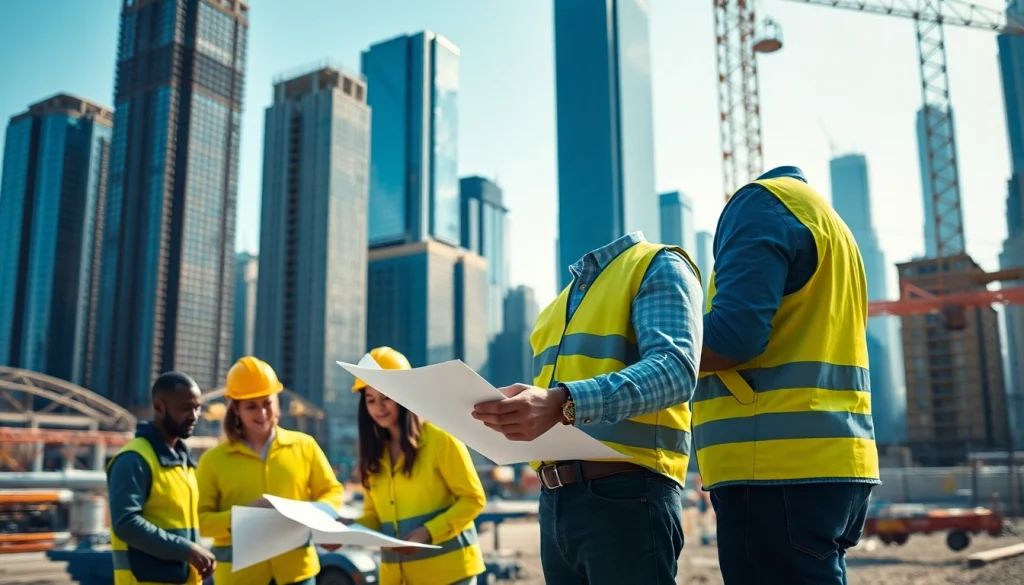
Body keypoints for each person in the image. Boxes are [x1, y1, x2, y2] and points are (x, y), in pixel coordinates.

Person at [471, 232, 704, 584]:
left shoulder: (656, 264)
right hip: (554, 502)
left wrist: (562, 402)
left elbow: (676, 370)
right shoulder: (553, 311)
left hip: (629, 495)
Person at [694, 165, 880, 584]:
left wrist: (656, 341)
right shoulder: (831, 226)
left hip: (774, 470)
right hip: (838, 462)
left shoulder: (758, 205)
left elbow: (732, 337)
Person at [196, 356, 344, 585]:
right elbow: (200, 520)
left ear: (277, 401)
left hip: (297, 573)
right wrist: (245, 516)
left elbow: (332, 492)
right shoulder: (213, 460)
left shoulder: (305, 446)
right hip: (239, 577)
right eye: (251, 406)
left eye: (267, 403)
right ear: (235, 409)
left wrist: (319, 516)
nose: (262, 413)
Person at [349, 346, 487, 585]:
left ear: (404, 394)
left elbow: (473, 499)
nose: (378, 408)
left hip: (450, 575)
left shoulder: (440, 439)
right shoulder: (373, 455)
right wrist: (347, 529)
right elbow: (373, 515)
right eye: (370, 400)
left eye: (386, 398)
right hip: (397, 577)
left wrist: (428, 532)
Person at [107, 372, 215, 585]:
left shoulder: (184, 462)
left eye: (197, 407)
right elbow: (126, 523)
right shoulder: (134, 459)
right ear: (159, 407)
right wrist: (187, 550)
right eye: (186, 408)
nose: (194, 415)